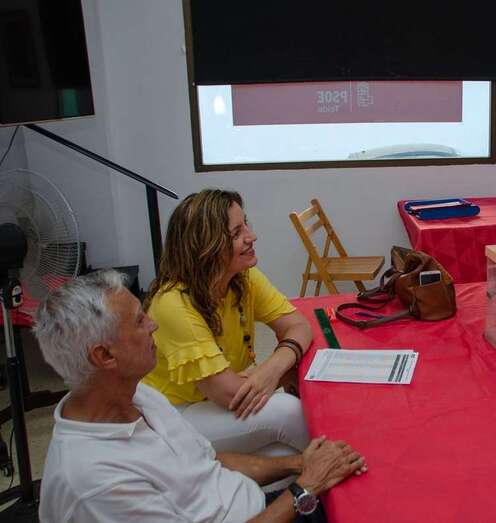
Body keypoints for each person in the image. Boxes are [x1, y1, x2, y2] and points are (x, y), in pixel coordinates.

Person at [34, 270, 367, 522]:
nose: (153, 326)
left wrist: (299, 464)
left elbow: (207, 461)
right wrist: (305, 487)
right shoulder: (95, 482)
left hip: (254, 504)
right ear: (105, 355)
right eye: (139, 321)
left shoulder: (139, 396)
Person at [141, 189, 312, 469]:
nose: (251, 236)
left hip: (220, 400)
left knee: (283, 451)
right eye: (236, 233)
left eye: (246, 224)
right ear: (205, 247)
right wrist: (286, 373)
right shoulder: (172, 304)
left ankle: (316, 469)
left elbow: (299, 325)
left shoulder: (243, 277)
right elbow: (229, 394)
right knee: (289, 412)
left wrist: (270, 369)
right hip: (174, 415)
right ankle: (333, 468)